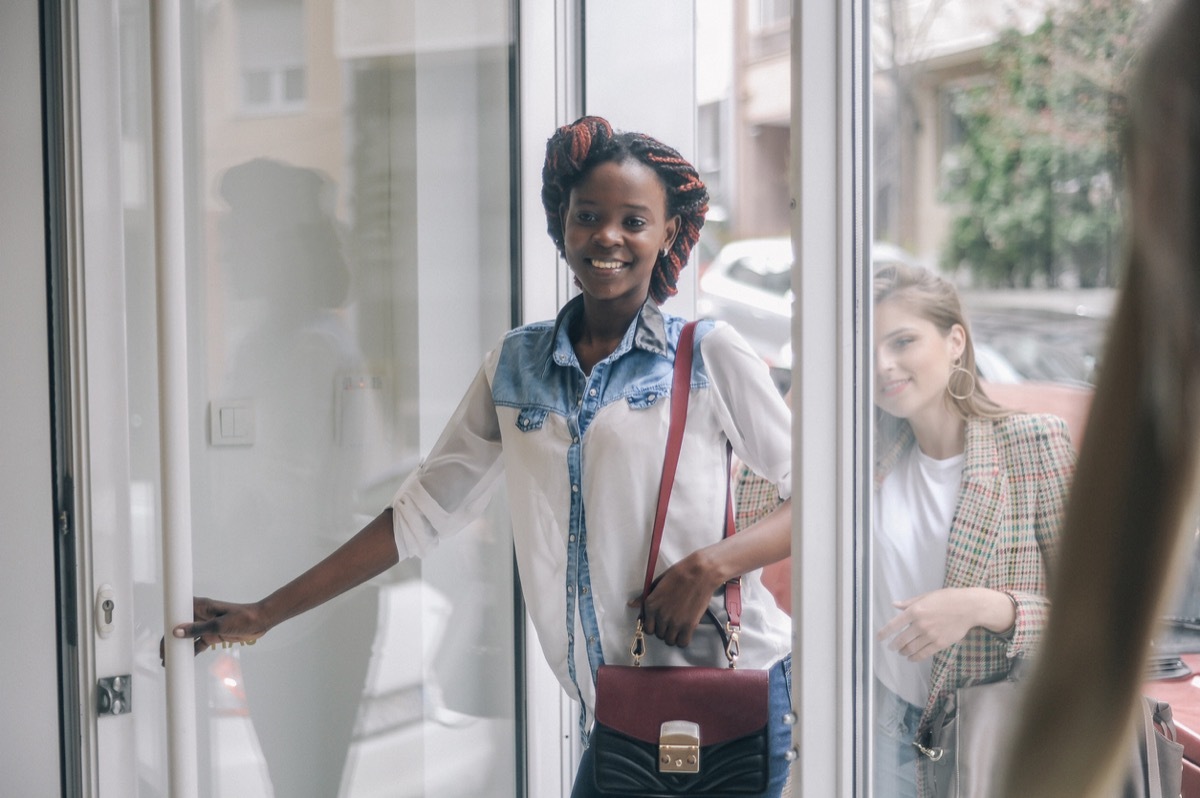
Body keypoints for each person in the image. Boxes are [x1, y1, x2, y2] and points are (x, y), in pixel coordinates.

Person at [168, 115, 796, 797]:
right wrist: (266, 613)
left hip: (719, 694)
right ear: (563, 226)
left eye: (633, 220)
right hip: (615, 704)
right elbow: (416, 517)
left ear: (668, 233)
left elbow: (828, 496)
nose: (607, 236)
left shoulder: (707, 354)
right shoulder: (517, 365)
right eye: (588, 216)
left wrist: (712, 564)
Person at [869, 263, 1075, 798]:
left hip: (993, 736)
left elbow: (1098, 618)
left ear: (955, 340)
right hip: (880, 730)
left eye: (902, 341)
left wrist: (983, 607)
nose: (881, 365)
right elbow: (755, 501)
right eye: (864, 347)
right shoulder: (866, 458)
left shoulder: (1032, 445)